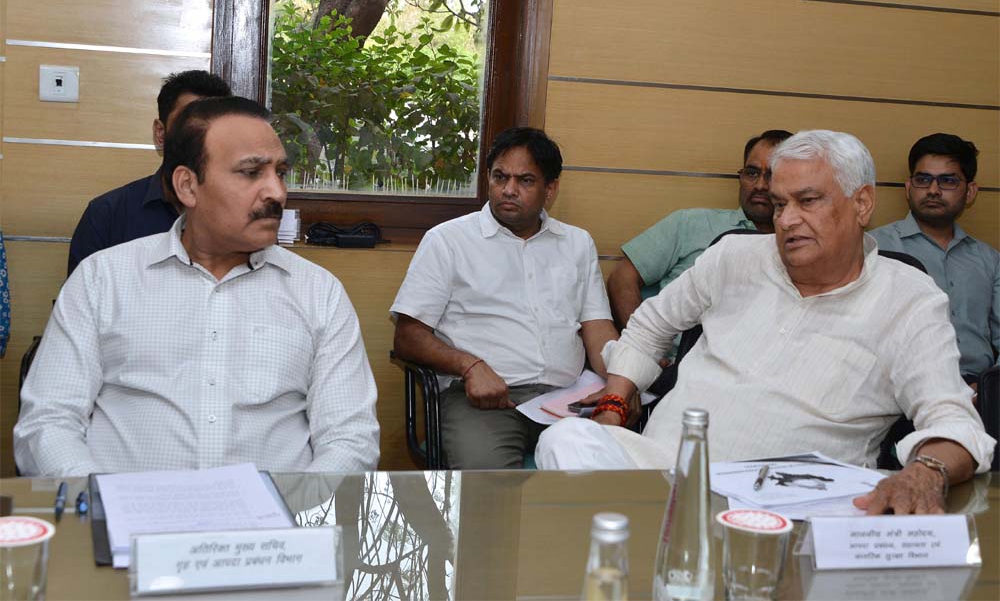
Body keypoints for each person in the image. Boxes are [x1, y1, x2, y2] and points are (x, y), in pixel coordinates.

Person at [537, 130, 995, 515]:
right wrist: (617, 399)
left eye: (807, 201)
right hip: (661, 469)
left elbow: (953, 420)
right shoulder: (734, 256)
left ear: (862, 203)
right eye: (779, 205)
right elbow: (649, 325)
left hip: (796, 498)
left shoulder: (909, 299)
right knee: (566, 439)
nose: (787, 220)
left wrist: (926, 472)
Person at [14, 96, 380, 476]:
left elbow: (350, 439)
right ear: (188, 186)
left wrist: (294, 506)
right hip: (124, 508)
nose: (276, 192)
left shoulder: (319, 293)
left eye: (281, 172)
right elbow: (48, 424)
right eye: (251, 172)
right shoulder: (102, 280)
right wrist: (105, 502)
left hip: (279, 510)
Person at [390, 127, 618, 469]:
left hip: (568, 399)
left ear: (550, 189)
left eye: (525, 180)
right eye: (500, 177)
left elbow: (597, 330)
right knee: (490, 491)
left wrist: (621, 383)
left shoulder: (577, 243)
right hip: (484, 403)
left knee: (601, 477)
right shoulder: (448, 241)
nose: (509, 190)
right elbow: (408, 337)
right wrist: (470, 366)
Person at [607, 130, 792, 330]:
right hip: (673, 348)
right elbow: (622, 279)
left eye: (771, 175)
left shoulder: (800, 247)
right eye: (752, 173)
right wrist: (642, 343)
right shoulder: (691, 223)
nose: (760, 185)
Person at [66, 70, 231, 275]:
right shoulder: (107, 215)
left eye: (215, 128)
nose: (201, 139)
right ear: (160, 133)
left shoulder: (245, 217)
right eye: (188, 124)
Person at [870, 133, 998, 383]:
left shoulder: (990, 260)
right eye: (923, 179)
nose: (933, 190)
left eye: (947, 181)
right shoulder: (873, 247)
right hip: (899, 388)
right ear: (909, 187)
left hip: (979, 389)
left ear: (970, 192)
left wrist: (988, 386)